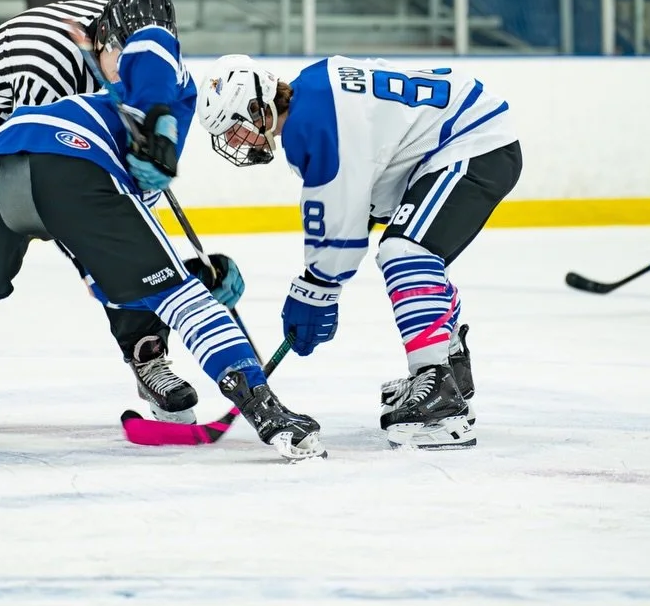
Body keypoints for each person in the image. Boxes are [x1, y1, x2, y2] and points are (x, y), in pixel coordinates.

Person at [0, 0, 324, 460]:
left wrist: (168, 266)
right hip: (18, 130)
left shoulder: (115, 73)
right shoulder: (156, 69)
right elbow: (152, 46)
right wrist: (185, 278)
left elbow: (105, 257)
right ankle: (266, 409)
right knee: (177, 294)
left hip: (1, 159)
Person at [0, 0, 200, 427]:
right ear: (103, 42)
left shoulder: (153, 61)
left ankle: (148, 355)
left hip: (69, 108)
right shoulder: (47, 62)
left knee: (123, 231)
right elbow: (50, 194)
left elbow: (134, 195)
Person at [196, 54, 521, 450]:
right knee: (410, 253)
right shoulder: (313, 96)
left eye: (234, 127)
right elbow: (354, 207)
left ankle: (439, 395)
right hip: (456, 137)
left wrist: (315, 289)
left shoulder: (312, 122)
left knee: (407, 252)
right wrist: (319, 285)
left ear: (258, 106)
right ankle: (448, 367)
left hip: (474, 140)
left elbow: (338, 216)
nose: (234, 141)